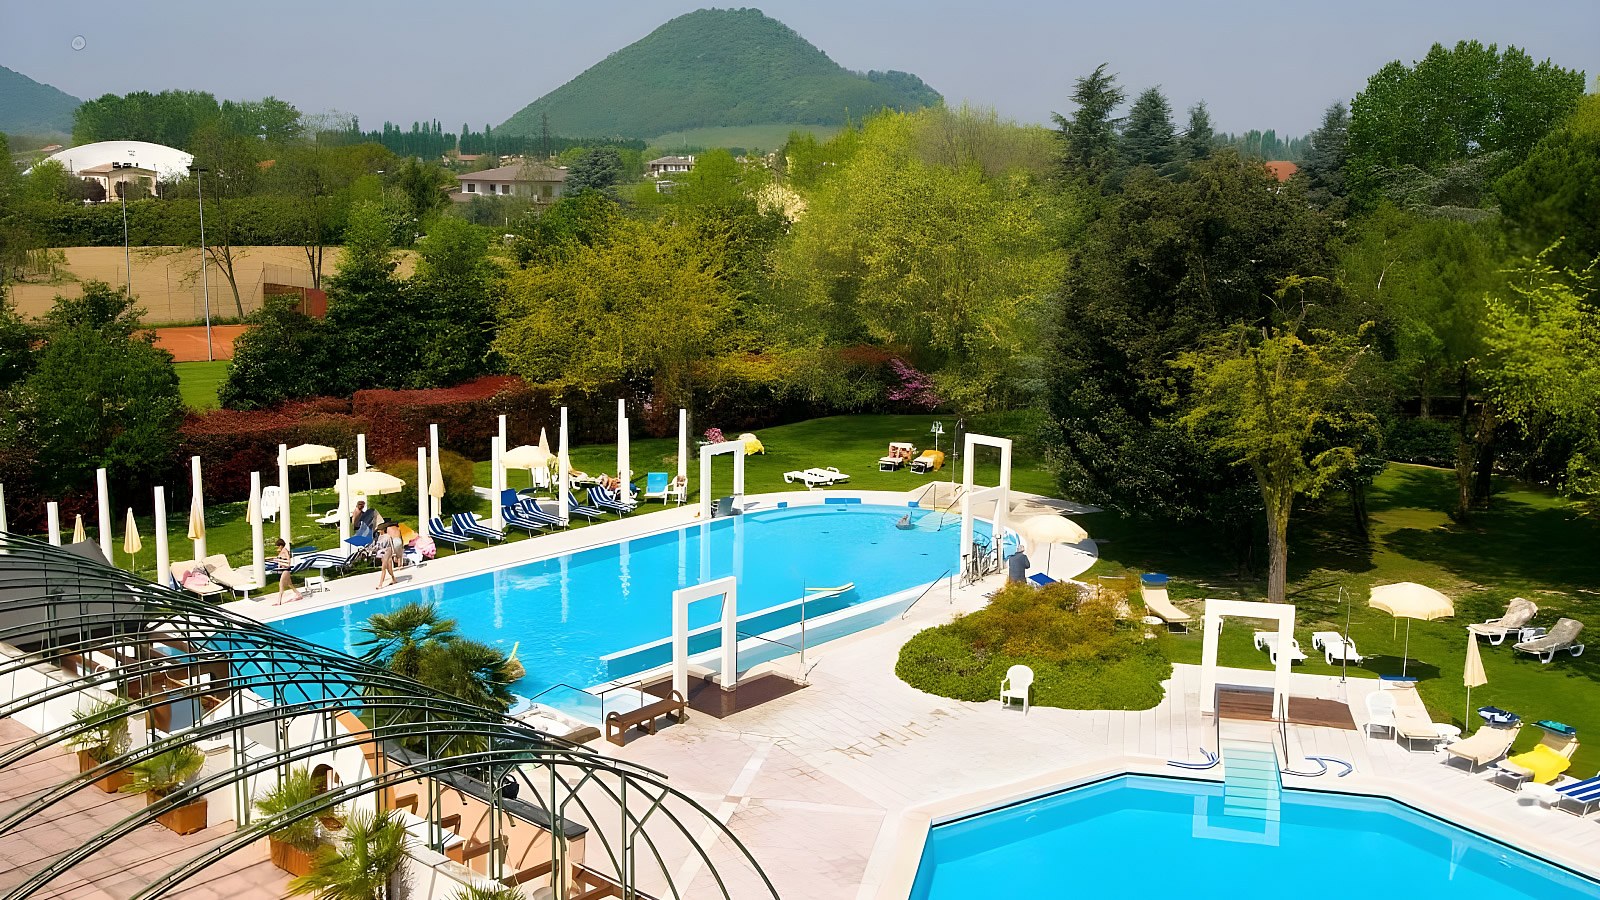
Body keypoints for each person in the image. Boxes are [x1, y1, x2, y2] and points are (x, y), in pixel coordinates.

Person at [274, 539, 303, 605]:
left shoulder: (285, 551)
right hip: (283, 569)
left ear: (281, 545)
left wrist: (282, 562)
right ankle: (298, 594)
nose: (277, 547)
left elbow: (288, 561)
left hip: (286, 569)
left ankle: (279, 602)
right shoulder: (281, 551)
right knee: (290, 584)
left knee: (281, 584)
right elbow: (279, 559)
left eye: (278, 546)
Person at [375, 523, 403, 589]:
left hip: (388, 552)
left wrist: (394, 554)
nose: (378, 531)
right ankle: (394, 579)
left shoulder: (388, 536)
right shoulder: (380, 537)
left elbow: (392, 545)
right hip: (382, 553)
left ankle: (380, 584)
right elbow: (378, 545)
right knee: (389, 569)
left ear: (382, 530)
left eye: (379, 530)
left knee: (383, 568)